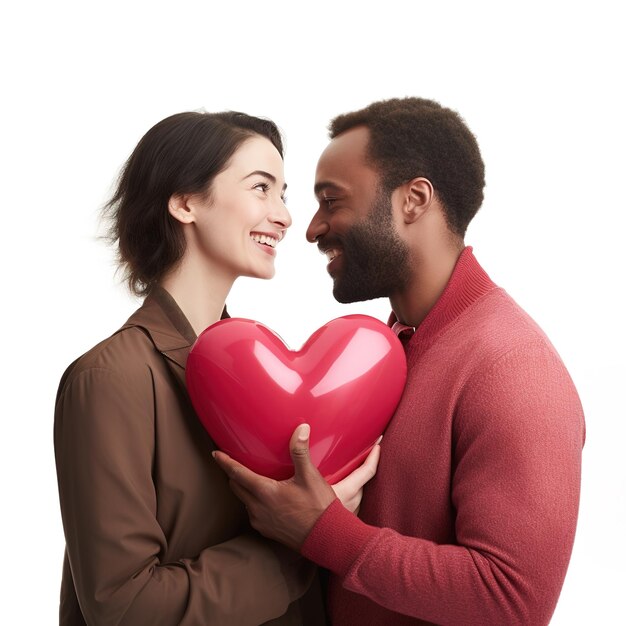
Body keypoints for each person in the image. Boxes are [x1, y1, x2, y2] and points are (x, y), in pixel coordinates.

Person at [213, 98, 586, 625]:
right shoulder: (389, 348)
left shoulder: (512, 365)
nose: (312, 228)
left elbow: (513, 600)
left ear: (414, 200)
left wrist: (325, 533)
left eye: (332, 200)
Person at [54, 110, 379, 625]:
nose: (286, 216)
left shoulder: (266, 377)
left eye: (283, 194)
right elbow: (124, 608)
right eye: (261, 188)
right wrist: (304, 540)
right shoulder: (112, 378)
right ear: (185, 203)